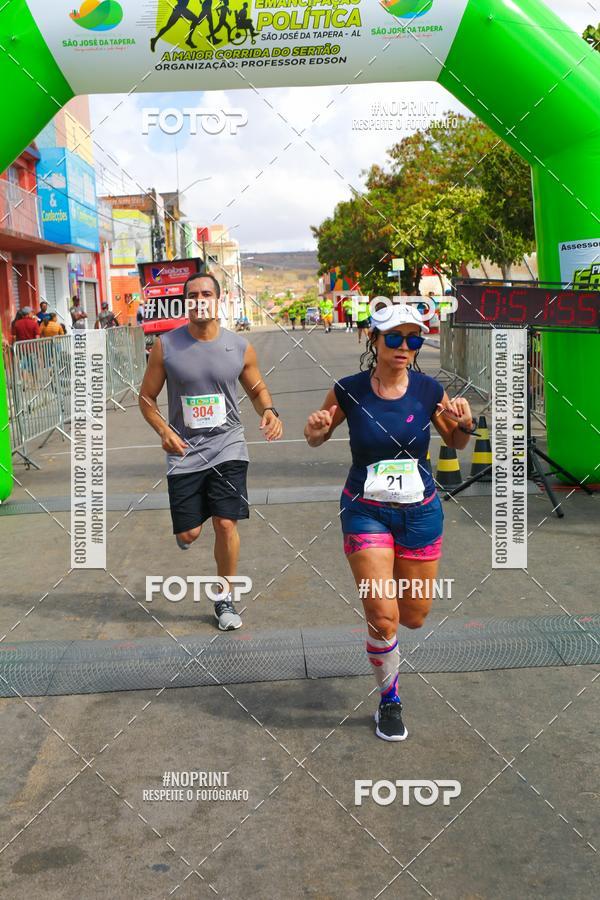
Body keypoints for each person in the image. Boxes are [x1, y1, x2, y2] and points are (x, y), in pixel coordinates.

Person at [304, 303, 476, 742]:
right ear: (373, 340)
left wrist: (464, 425)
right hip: (365, 510)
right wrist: (317, 427)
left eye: (414, 339)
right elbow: (317, 436)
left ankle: (392, 647)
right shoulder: (348, 389)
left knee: (413, 616)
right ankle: (390, 700)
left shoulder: (427, 389)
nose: (404, 347)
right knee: (383, 615)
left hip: (419, 513)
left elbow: (454, 442)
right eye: (395, 338)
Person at [139, 273, 284, 631]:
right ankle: (189, 525)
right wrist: (164, 430)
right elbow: (146, 399)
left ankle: (224, 598)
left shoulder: (239, 346)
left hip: (228, 445)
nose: (200, 299)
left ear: (219, 299)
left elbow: (256, 388)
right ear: (185, 302)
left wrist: (268, 410)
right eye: (193, 295)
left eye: (206, 293)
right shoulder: (166, 346)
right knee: (189, 534)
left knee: (225, 522)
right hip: (185, 450)